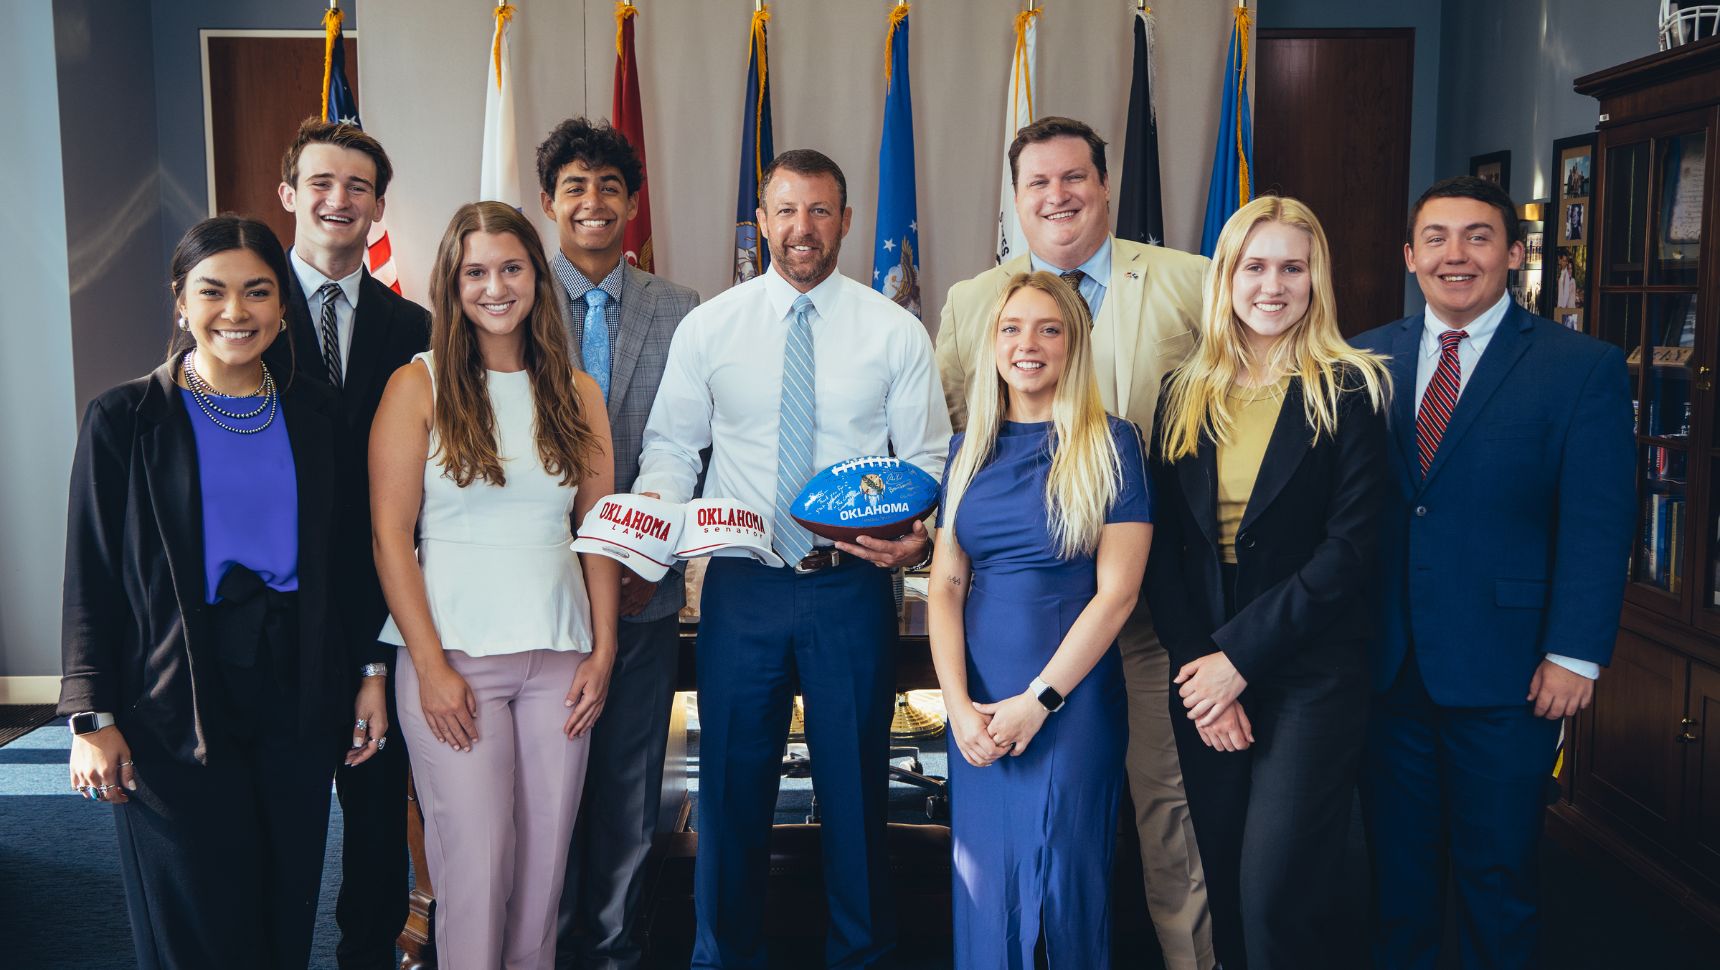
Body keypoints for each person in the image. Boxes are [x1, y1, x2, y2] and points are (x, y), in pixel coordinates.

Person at [634, 149, 951, 969]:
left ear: (846, 221)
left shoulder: (895, 330)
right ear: (762, 219)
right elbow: (672, 446)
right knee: (732, 795)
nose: (800, 228)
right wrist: (656, 533)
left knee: (855, 795)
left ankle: (862, 956)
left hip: (849, 588)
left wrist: (917, 534)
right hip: (742, 586)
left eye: (819, 211)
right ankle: (722, 956)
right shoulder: (712, 326)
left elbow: (929, 460)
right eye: (784, 210)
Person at [61, 215, 384, 968]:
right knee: (194, 922)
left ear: (281, 308)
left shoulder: (318, 413)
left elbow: (350, 560)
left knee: (284, 906)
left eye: (256, 292)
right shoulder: (123, 419)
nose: (235, 312)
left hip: (298, 691)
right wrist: (90, 716)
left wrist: (370, 670)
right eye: (213, 291)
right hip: (170, 698)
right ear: (180, 301)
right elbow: (91, 573)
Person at [934, 115, 1214, 969]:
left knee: (1165, 818)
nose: (1057, 196)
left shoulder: (1192, 283)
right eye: (1037, 184)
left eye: (1074, 178)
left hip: (1145, 604)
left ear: (1103, 183)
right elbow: (960, 445)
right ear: (1016, 200)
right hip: (1002, 640)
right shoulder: (973, 303)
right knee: (1000, 870)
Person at [1352, 176, 1633, 968]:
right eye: (1435, 238)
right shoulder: (1363, 358)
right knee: (1396, 886)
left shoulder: (1581, 368)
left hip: (1513, 674)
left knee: (1498, 879)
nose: (1455, 255)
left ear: (1513, 253)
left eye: (1478, 236)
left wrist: (1576, 652)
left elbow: (1599, 521)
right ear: (1410, 257)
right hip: (1386, 667)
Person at [371, 201, 620, 969]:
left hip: (562, 661)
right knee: (476, 872)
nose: (495, 286)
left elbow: (599, 530)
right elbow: (390, 539)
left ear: (536, 280)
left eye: (511, 268)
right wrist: (432, 666)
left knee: (543, 877)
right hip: (455, 662)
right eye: (475, 271)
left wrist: (604, 651)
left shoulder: (577, 392)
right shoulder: (416, 387)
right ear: (453, 285)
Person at [1145, 197, 1390, 968]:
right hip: (1202, 671)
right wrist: (1200, 669)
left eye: (1293, 266)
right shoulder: (1183, 390)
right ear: (1227, 277)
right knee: (1224, 882)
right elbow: (1162, 551)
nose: (1272, 285)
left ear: (1317, 278)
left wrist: (1238, 661)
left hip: (1310, 670)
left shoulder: (1351, 387)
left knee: (1274, 890)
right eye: (1255, 266)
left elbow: (1348, 554)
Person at [928, 271, 1151, 968]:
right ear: (992, 344)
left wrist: (1040, 701)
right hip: (980, 707)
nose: (1029, 344)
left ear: (1073, 345)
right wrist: (959, 708)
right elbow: (945, 584)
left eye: (1049, 329)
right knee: (985, 888)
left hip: (1072, 703)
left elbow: (1117, 595)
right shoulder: (966, 451)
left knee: (1064, 885)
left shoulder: (1113, 443)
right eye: (1012, 329)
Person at [535, 118, 700, 970]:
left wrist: (645, 561)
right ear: (549, 202)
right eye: (574, 187)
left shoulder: (682, 309)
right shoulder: (509, 297)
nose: (592, 203)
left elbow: (694, 446)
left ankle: (613, 953)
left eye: (609, 188)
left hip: (645, 594)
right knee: (544, 794)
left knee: (631, 799)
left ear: (633, 205)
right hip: (537, 598)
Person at [269, 116, 430, 969]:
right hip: (273, 621)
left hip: (378, 609)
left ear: (376, 207)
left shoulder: (416, 327)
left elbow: (422, 499)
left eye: (357, 188)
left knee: (376, 820)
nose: (339, 200)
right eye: (322, 184)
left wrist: (379, 646)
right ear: (290, 194)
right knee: (284, 818)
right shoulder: (243, 310)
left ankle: (368, 956)